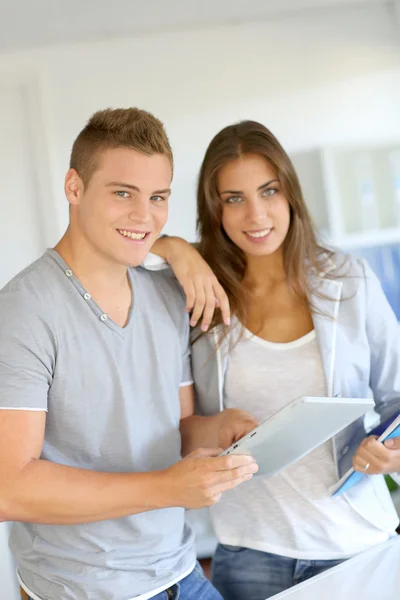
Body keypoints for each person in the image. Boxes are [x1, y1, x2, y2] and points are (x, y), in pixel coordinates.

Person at [0, 108, 260, 600]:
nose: (145, 216)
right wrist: (166, 489)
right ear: (74, 187)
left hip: (181, 574)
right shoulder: (23, 312)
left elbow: (178, 431)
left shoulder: (166, 295)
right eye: (123, 193)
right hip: (78, 588)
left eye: (157, 197)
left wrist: (220, 430)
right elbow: (8, 487)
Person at [149, 120, 400, 600]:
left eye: (269, 191)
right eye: (234, 198)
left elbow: (397, 397)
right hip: (250, 552)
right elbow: (118, 255)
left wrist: (390, 455)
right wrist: (176, 248)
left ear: (290, 195)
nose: (256, 214)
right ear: (214, 209)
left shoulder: (349, 279)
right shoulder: (200, 297)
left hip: (358, 543)